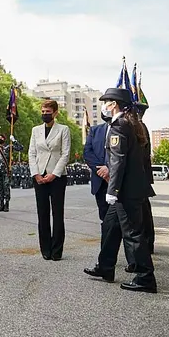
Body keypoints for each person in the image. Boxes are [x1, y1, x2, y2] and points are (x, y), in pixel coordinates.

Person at [84, 88, 157, 293]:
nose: (104, 106)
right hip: (131, 188)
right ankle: (105, 267)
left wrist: (113, 190)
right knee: (110, 227)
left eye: (106, 102)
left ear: (113, 104)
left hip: (126, 191)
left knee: (133, 234)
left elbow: (118, 161)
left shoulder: (119, 125)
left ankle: (145, 277)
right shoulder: (130, 123)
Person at [28, 99, 71, 261]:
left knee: (57, 214)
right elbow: (32, 153)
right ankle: (45, 248)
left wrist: (54, 174)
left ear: (55, 113)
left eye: (48, 112)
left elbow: (65, 154)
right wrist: (36, 174)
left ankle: (57, 250)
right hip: (39, 176)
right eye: (43, 112)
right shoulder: (35, 130)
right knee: (43, 213)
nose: (45, 114)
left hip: (57, 176)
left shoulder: (63, 130)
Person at [135, 101, 156, 256]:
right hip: (141, 177)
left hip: (139, 177)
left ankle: (146, 244)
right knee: (144, 213)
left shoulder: (139, 127)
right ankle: (147, 244)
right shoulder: (140, 126)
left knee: (143, 215)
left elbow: (140, 156)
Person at [0, 134, 24, 212]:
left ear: (4, 139)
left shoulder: (8, 147)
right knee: (0, 188)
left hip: (6, 171)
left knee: (6, 187)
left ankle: (7, 204)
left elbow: (20, 148)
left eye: (1, 138)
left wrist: (14, 141)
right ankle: (1, 204)